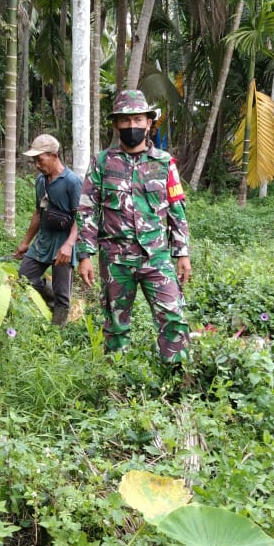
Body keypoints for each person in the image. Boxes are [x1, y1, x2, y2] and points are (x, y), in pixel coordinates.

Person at [76, 89, 191, 363]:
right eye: (125, 121)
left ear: (148, 123)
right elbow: (86, 208)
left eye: (138, 120)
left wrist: (182, 252)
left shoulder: (165, 163)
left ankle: (174, 377)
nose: (132, 126)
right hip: (115, 259)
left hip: (157, 257)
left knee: (173, 318)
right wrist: (84, 255)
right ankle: (117, 382)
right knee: (116, 324)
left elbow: (176, 209)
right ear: (116, 124)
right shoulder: (102, 163)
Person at [16, 134, 82, 325]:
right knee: (25, 277)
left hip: (64, 240)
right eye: (34, 160)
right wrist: (26, 242)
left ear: (54, 156)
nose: (36, 164)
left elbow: (81, 217)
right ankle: (51, 300)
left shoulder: (72, 181)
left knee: (63, 294)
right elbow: (38, 212)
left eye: (39, 159)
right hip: (43, 240)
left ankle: (57, 333)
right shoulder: (40, 181)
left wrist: (69, 245)